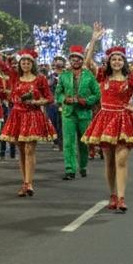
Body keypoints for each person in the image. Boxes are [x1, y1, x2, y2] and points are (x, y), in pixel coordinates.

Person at [81, 23, 133, 213]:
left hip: (123, 121)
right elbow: (87, 63)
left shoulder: (131, 79)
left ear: (124, 62)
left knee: (121, 160)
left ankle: (122, 198)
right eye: (113, 59)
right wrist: (93, 39)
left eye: (119, 59)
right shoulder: (101, 77)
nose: (116, 62)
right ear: (109, 61)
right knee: (109, 162)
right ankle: (112, 194)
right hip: (105, 119)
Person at [0, 49, 56, 197]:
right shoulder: (15, 78)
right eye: (23, 62)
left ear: (33, 63)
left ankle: (29, 183)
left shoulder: (40, 79)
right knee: (22, 150)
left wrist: (36, 101)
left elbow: (49, 98)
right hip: (17, 115)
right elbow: (2, 67)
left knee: (30, 149)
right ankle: (25, 181)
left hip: (33, 116)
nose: (25, 64)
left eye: (28, 62)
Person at [57, 45, 100, 181]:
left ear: (82, 60)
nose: (76, 61)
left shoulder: (89, 76)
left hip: (84, 113)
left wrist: (86, 101)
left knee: (83, 142)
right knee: (68, 142)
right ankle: (70, 169)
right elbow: (57, 94)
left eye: (78, 59)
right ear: (70, 60)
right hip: (68, 113)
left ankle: (83, 165)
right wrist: (65, 99)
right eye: (73, 59)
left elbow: (97, 94)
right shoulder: (63, 76)